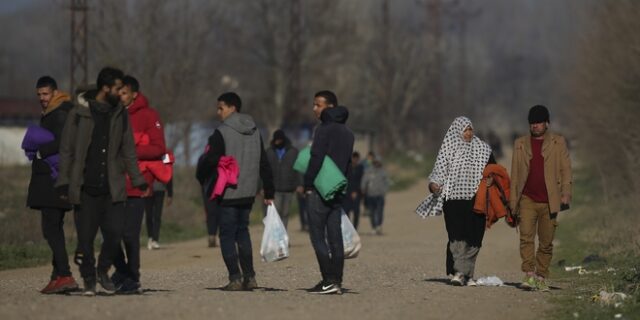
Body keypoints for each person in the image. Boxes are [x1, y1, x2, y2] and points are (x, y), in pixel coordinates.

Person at [56, 67, 148, 296]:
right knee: (85, 240)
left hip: (112, 186)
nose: (121, 93)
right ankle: (88, 279)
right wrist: (64, 182)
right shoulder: (79, 113)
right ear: (105, 88)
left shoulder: (119, 113)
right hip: (85, 187)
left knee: (115, 233)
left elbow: (128, 150)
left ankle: (102, 270)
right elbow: (66, 149)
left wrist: (138, 180)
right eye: (118, 88)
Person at [196, 92, 275, 291]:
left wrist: (201, 176)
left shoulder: (220, 133)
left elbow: (210, 160)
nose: (218, 112)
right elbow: (264, 163)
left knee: (227, 235)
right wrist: (269, 190)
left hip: (228, 191)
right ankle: (250, 277)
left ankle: (235, 278)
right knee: (243, 232)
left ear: (232, 108)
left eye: (221, 108)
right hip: (248, 192)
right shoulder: (255, 131)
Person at [112, 75, 166, 294]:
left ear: (134, 94)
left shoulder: (149, 115)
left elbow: (159, 148)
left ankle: (132, 276)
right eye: (117, 92)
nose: (119, 96)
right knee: (110, 233)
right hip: (112, 183)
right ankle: (122, 271)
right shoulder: (110, 114)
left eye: (123, 92)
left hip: (138, 184)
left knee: (130, 234)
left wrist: (129, 150)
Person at [25, 76, 79, 294]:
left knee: (51, 229)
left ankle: (65, 274)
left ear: (55, 93)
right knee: (53, 227)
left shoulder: (60, 114)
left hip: (54, 180)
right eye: (39, 95)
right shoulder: (53, 112)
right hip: (52, 179)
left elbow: (65, 141)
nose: (42, 98)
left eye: (45, 94)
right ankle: (57, 276)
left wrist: (41, 151)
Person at [510, 105, 571, 292]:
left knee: (546, 242)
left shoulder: (558, 143)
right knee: (526, 238)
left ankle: (541, 275)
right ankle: (529, 274)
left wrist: (566, 193)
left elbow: (566, 169)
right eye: (532, 123)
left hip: (549, 201)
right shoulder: (520, 144)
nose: (535, 126)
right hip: (527, 199)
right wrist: (513, 204)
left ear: (547, 123)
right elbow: (515, 174)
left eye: (539, 122)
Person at [427, 116, 494, 286]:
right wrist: (434, 185)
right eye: (465, 129)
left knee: (474, 238)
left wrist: (491, 179)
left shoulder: (483, 149)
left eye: (470, 129)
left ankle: (469, 274)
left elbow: (493, 170)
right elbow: (438, 172)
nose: (468, 133)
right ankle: (458, 273)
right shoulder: (448, 149)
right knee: (457, 238)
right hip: (454, 202)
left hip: (476, 201)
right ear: (457, 131)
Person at [304, 91, 354, 294]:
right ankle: (336, 280)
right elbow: (349, 164)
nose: (314, 109)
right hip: (338, 189)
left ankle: (328, 279)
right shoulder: (347, 132)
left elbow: (316, 157)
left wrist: (307, 183)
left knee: (317, 235)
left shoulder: (323, 129)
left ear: (330, 107)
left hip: (320, 188)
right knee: (335, 237)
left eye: (318, 105)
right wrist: (344, 185)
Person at [264, 129, 303, 228]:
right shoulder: (269, 152)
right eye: (276, 140)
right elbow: (264, 171)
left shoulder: (293, 152)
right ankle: (276, 235)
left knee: (285, 213)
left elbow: (298, 169)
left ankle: (283, 236)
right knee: (276, 213)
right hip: (275, 188)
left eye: (280, 140)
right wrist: (263, 187)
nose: (278, 142)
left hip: (289, 188)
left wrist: (300, 184)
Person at [361, 158, 389, 235]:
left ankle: (379, 226)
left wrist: (384, 191)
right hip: (370, 195)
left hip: (380, 195)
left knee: (380, 211)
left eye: (378, 162)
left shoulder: (383, 172)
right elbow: (364, 181)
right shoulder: (368, 171)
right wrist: (363, 189)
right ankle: (373, 227)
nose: (377, 164)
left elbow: (387, 182)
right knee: (372, 212)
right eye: (375, 162)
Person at [145, 179, 173, 250]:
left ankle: (155, 240)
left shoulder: (165, 166)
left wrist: (170, 193)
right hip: (148, 189)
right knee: (149, 215)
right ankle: (150, 237)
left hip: (160, 189)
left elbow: (168, 175)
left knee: (157, 215)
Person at [342, 152, 364, 229]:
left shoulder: (360, 168)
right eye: (353, 158)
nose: (355, 160)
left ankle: (355, 228)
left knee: (356, 212)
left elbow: (361, 181)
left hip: (357, 194)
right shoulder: (347, 168)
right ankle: (348, 228)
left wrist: (357, 191)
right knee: (346, 213)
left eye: (356, 158)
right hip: (347, 194)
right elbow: (346, 180)